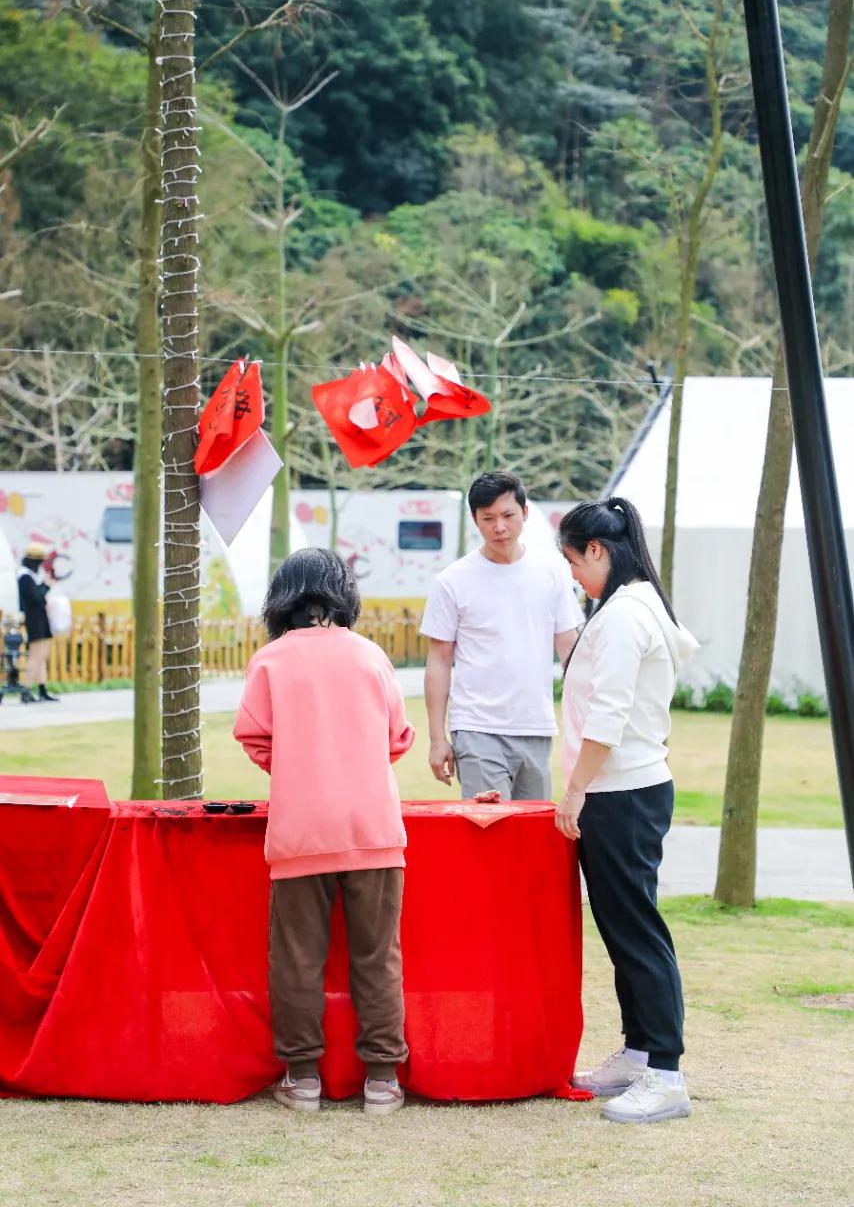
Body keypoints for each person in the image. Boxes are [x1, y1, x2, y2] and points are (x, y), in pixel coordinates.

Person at [233, 547, 415, 1117]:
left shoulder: (270, 660)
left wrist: (293, 768)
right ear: (343, 594)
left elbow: (254, 736)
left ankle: (303, 1077)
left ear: (282, 597)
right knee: (377, 955)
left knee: (296, 957)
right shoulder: (370, 656)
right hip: (373, 827)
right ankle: (383, 1080)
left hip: (300, 831)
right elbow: (399, 737)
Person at [555, 496, 698, 1124]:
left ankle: (665, 1071)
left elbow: (608, 717)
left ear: (598, 550)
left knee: (636, 931)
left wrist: (575, 789)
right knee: (622, 929)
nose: (574, 578)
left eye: (575, 563)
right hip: (628, 788)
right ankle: (640, 1053)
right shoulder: (634, 605)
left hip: (620, 792)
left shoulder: (622, 615)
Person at [420, 471, 584, 800]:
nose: (499, 527)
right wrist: (438, 740)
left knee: (530, 837)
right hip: (476, 728)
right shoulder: (453, 581)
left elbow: (571, 649)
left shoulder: (551, 574)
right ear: (474, 519)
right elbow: (438, 660)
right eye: (488, 518)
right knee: (490, 834)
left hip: (535, 727)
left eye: (508, 515)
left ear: (525, 513)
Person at [16, 543, 59, 704]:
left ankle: (42, 688)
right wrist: (46, 586)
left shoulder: (29, 576)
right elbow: (36, 598)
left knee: (42, 654)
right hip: (33, 619)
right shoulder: (25, 577)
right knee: (35, 655)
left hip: (40, 618)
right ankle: (26, 689)